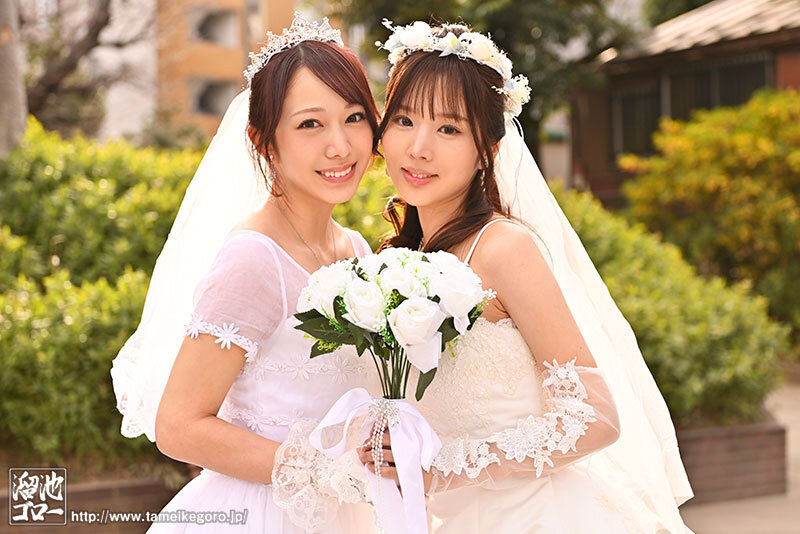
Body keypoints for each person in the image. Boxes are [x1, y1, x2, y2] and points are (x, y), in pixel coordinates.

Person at [362, 21, 694, 533]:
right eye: (404, 120)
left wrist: (441, 470)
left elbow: (595, 417)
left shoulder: (503, 248)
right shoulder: (398, 260)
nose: (418, 148)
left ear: (486, 151)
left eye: (449, 129)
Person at [110, 14, 381, 533]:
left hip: (346, 512)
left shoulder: (356, 249)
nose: (340, 146)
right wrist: (320, 471)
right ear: (264, 142)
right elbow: (179, 426)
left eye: (353, 118)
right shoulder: (255, 258)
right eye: (310, 124)